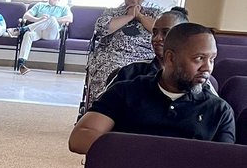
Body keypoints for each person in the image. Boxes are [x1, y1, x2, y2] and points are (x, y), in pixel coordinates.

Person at [68, 23, 235, 154]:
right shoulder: (126, 92)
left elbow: (222, 165)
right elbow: (79, 138)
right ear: (170, 58)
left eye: (212, 59)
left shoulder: (219, 110)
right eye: (199, 58)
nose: (207, 68)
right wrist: (144, 151)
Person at [86, 0, 162, 104]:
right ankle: (104, 109)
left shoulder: (155, 13)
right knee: (111, 75)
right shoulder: (112, 12)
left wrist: (140, 16)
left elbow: (160, 30)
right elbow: (102, 29)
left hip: (146, 58)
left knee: (153, 79)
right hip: (112, 56)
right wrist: (129, 16)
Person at [107, 6, 189, 87]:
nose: (157, 38)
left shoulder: (192, 76)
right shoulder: (130, 73)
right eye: (155, 33)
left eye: (165, 33)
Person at [14, 0, 73, 75]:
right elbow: (26, 16)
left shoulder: (64, 7)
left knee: (51, 19)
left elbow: (70, 18)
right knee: (28, 34)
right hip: (38, 31)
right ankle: (21, 64)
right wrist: (38, 20)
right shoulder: (40, 5)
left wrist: (53, 19)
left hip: (52, 34)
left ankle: (23, 29)